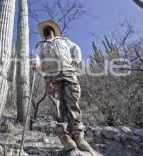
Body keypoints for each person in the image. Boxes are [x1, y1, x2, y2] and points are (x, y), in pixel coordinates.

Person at [32, 20, 96, 155]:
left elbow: (75, 48)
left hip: (68, 72)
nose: (47, 31)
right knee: (57, 106)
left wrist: (77, 59)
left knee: (73, 102)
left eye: (49, 29)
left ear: (53, 31)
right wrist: (36, 63)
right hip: (51, 75)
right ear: (43, 34)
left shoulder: (64, 40)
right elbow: (36, 56)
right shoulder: (40, 45)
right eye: (45, 30)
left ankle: (79, 138)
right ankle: (66, 139)